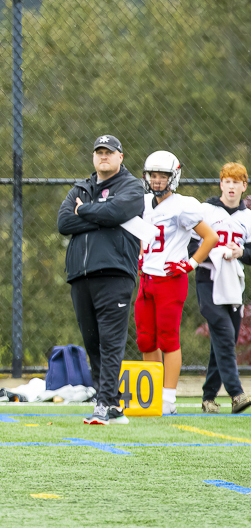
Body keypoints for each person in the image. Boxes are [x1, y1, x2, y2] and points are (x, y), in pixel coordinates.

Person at [57, 135, 144, 426]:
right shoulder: (81, 187)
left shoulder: (131, 186)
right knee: (92, 342)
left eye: (109, 152)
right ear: (94, 157)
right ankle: (113, 403)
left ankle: (104, 403)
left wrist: (83, 210)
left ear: (121, 156)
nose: (103, 156)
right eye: (99, 152)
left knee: (111, 342)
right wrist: (101, 216)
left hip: (115, 273)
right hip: (80, 275)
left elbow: (118, 211)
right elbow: (63, 223)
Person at [137, 151, 217, 415]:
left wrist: (190, 264)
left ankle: (168, 399)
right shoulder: (144, 202)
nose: (157, 181)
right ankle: (152, 395)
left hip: (171, 280)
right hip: (146, 279)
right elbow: (144, 236)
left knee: (168, 339)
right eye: (153, 175)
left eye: (162, 176)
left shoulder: (183, 205)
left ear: (173, 177)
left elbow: (210, 238)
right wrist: (139, 255)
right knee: (146, 340)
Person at [190, 163, 251, 414]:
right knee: (224, 333)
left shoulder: (247, 217)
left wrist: (240, 252)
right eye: (228, 181)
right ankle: (236, 394)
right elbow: (191, 246)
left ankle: (208, 397)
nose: (232, 186)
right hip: (209, 279)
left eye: (237, 182)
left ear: (244, 186)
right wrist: (213, 254)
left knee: (224, 339)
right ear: (221, 184)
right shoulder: (205, 210)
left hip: (233, 284)